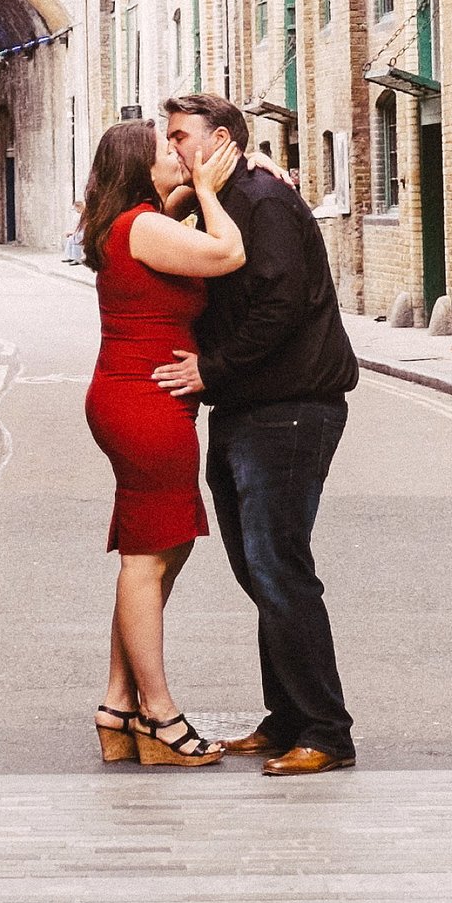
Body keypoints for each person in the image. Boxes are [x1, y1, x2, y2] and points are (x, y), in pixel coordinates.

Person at [152, 92, 361, 778]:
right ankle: (288, 717)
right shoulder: (219, 203)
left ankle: (327, 731)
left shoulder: (264, 203)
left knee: (280, 567)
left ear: (220, 141)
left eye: (181, 135)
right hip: (247, 409)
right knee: (257, 569)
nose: (173, 146)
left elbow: (279, 303)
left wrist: (210, 368)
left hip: (291, 409)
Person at [80, 120, 247, 768]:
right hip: (142, 405)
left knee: (157, 555)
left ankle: (118, 704)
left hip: (138, 401)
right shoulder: (142, 229)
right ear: (138, 169)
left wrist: (192, 193)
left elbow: (167, 224)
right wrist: (207, 191)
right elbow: (227, 253)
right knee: (145, 564)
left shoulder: (133, 222)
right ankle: (159, 715)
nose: (177, 155)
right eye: (165, 151)